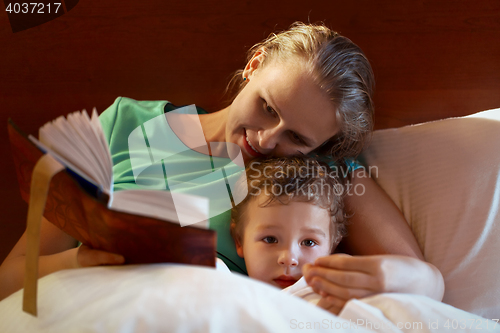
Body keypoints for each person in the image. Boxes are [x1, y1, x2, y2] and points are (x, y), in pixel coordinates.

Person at [0, 22, 444, 307]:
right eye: (268, 107)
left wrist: (387, 274)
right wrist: (80, 263)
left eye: (297, 137)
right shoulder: (122, 126)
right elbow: (10, 278)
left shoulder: (312, 176)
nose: (266, 139)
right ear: (253, 66)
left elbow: (430, 285)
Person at [229, 156, 347, 292]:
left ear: (332, 246)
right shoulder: (223, 287)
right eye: (270, 239)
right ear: (239, 240)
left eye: (309, 242)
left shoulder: (343, 294)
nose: (289, 258)